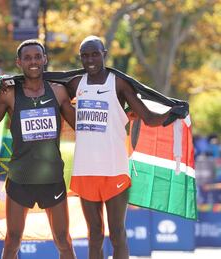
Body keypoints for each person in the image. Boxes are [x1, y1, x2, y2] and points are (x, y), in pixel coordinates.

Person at [65, 35, 185, 259]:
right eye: (85, 55)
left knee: (117, 234)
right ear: (80, 58)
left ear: (104, 54)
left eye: (95, 54)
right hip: (85, 169)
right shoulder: (75, 84)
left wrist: (171, 113)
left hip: (115, 169)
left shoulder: (117, 83)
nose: (90, 59)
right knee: (95, 235)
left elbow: (148, 117)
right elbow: (48, 88)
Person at [0, 39, 76, 259]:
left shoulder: (58, 92)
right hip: (21, 179)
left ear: (45, 59)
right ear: (18, 62)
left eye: (37, 57)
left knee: (63, 241)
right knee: (12, 242)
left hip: (52, 178)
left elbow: (79, 124)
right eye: (27, 57)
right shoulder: (9, 93)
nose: (33, 61)